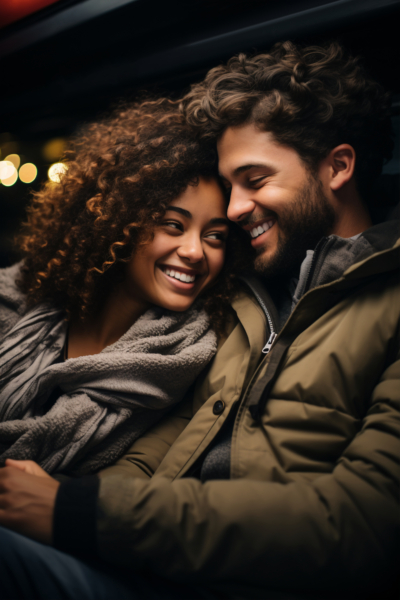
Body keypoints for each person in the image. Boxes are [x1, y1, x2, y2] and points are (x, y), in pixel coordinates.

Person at [0, 41, 399, 600]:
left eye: (254, 180)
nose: (234, 211)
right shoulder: (242, 296)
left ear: (338, 166)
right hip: (148, 562)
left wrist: (78, 512)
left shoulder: (388, 303)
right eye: (230, 186)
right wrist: (56, 507)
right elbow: (159, 451)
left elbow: (364, 524)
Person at [0, 98, 246, 476]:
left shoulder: (188, 359)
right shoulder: (16, 298)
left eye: (215, 237)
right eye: (173, 226)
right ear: (120, 224)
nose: (196, 251)